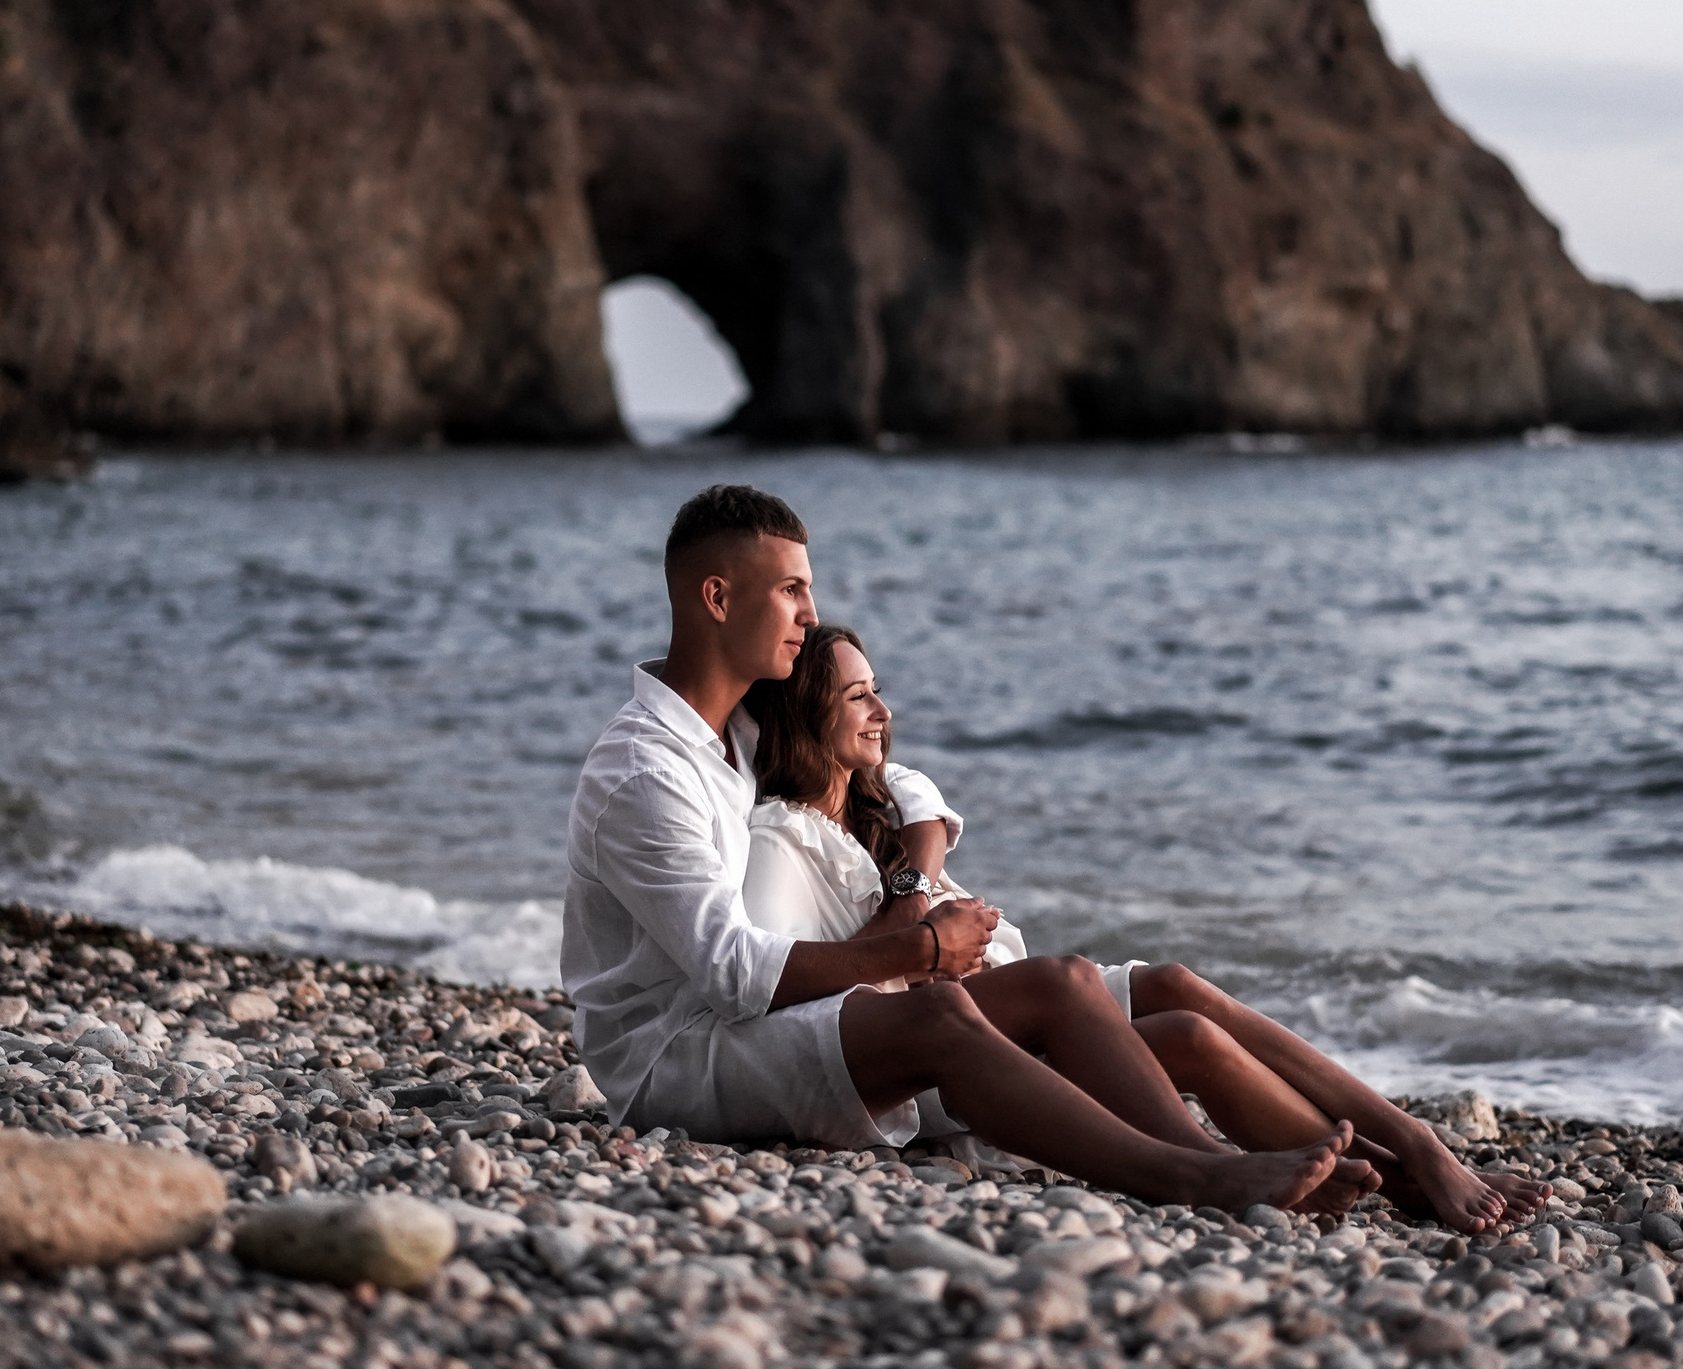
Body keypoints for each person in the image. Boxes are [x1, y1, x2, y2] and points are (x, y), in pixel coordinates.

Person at [562, 484, 1378, 1214]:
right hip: (681, 1058)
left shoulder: (739, 729)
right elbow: (735, 974)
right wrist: (919, 943)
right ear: (717, 596)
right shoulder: (646, 769)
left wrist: (917, 867)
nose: (810, 613)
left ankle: (1384, 1155)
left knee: (1073, 980)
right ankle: (1198, 1173)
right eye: (791, 590)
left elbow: (888, 767)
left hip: (751, 1022)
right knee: (944, 1006)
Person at [741, 620, 1549, 1236]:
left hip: (1019, 1016)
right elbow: (799, 1006)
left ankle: (1407, 1155)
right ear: (809, 713)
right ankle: (1219, 1171)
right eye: (857, 695)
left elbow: (918, 793)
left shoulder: (879, 805)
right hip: (962, 1054)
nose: (884, 709)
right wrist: (921, 933)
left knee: (1180, 996)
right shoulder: (781, 839)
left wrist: (920, 855)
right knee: (1133, 1008)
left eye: (877, 687)